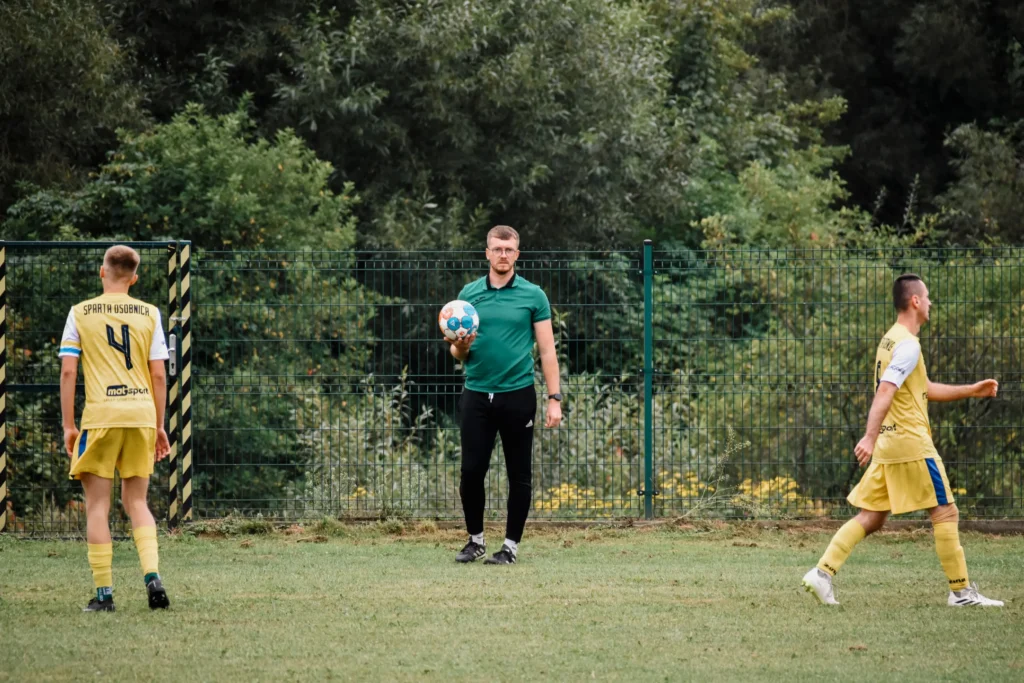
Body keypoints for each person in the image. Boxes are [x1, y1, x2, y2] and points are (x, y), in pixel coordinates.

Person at [802, 274, 1003, 607]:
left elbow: (922, 389)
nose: (931, 303)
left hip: (890, 444)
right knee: (946, 512)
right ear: (915, 301)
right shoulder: (909, 345)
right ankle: (961, 593)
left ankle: (822, 574)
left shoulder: (890, 340)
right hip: (911, 443)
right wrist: (868, 436)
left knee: (872, 516)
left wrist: (971, 390)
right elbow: (885, 390)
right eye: (927, 297)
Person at [59, 245, 172, 612]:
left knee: (98, 505)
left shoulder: (80, 312)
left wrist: (69, 425)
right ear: (134, 278)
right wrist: (158, 425)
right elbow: (159, 374)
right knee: (137, 501)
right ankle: (152, 577)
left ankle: (104, 595)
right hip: (141, 416)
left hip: (101, 417)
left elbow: (68, 371)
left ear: (101, 272)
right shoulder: (150, 313)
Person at [447, 225, 562, 565]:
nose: (502, 254)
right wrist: (461, 345)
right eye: (497, 249)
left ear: (517, 254)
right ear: (487, 253)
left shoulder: (533, 296)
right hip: (477, 394)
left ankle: (510, 547)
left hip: (518, 396)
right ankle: (476, 541)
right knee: (471, 472)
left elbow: (548, 352)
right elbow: (458, 354)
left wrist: (554, 398)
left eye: (508, 249)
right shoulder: (468, 294)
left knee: (519, 475)